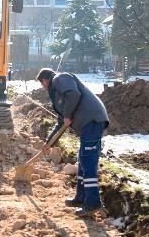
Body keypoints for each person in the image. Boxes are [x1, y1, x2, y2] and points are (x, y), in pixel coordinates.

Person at [36, 67, 109, 217]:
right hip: (87, 125)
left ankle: (93, 204)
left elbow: (74, 93)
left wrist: (68, 114)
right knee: (82, 160)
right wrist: (48, 143)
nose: (44, 89)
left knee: (88, 162)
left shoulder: (60, 78)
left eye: (42, 85)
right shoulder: (58, 98)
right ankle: (81, 198)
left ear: (45, 80)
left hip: (92, 121)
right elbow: (61, 123)